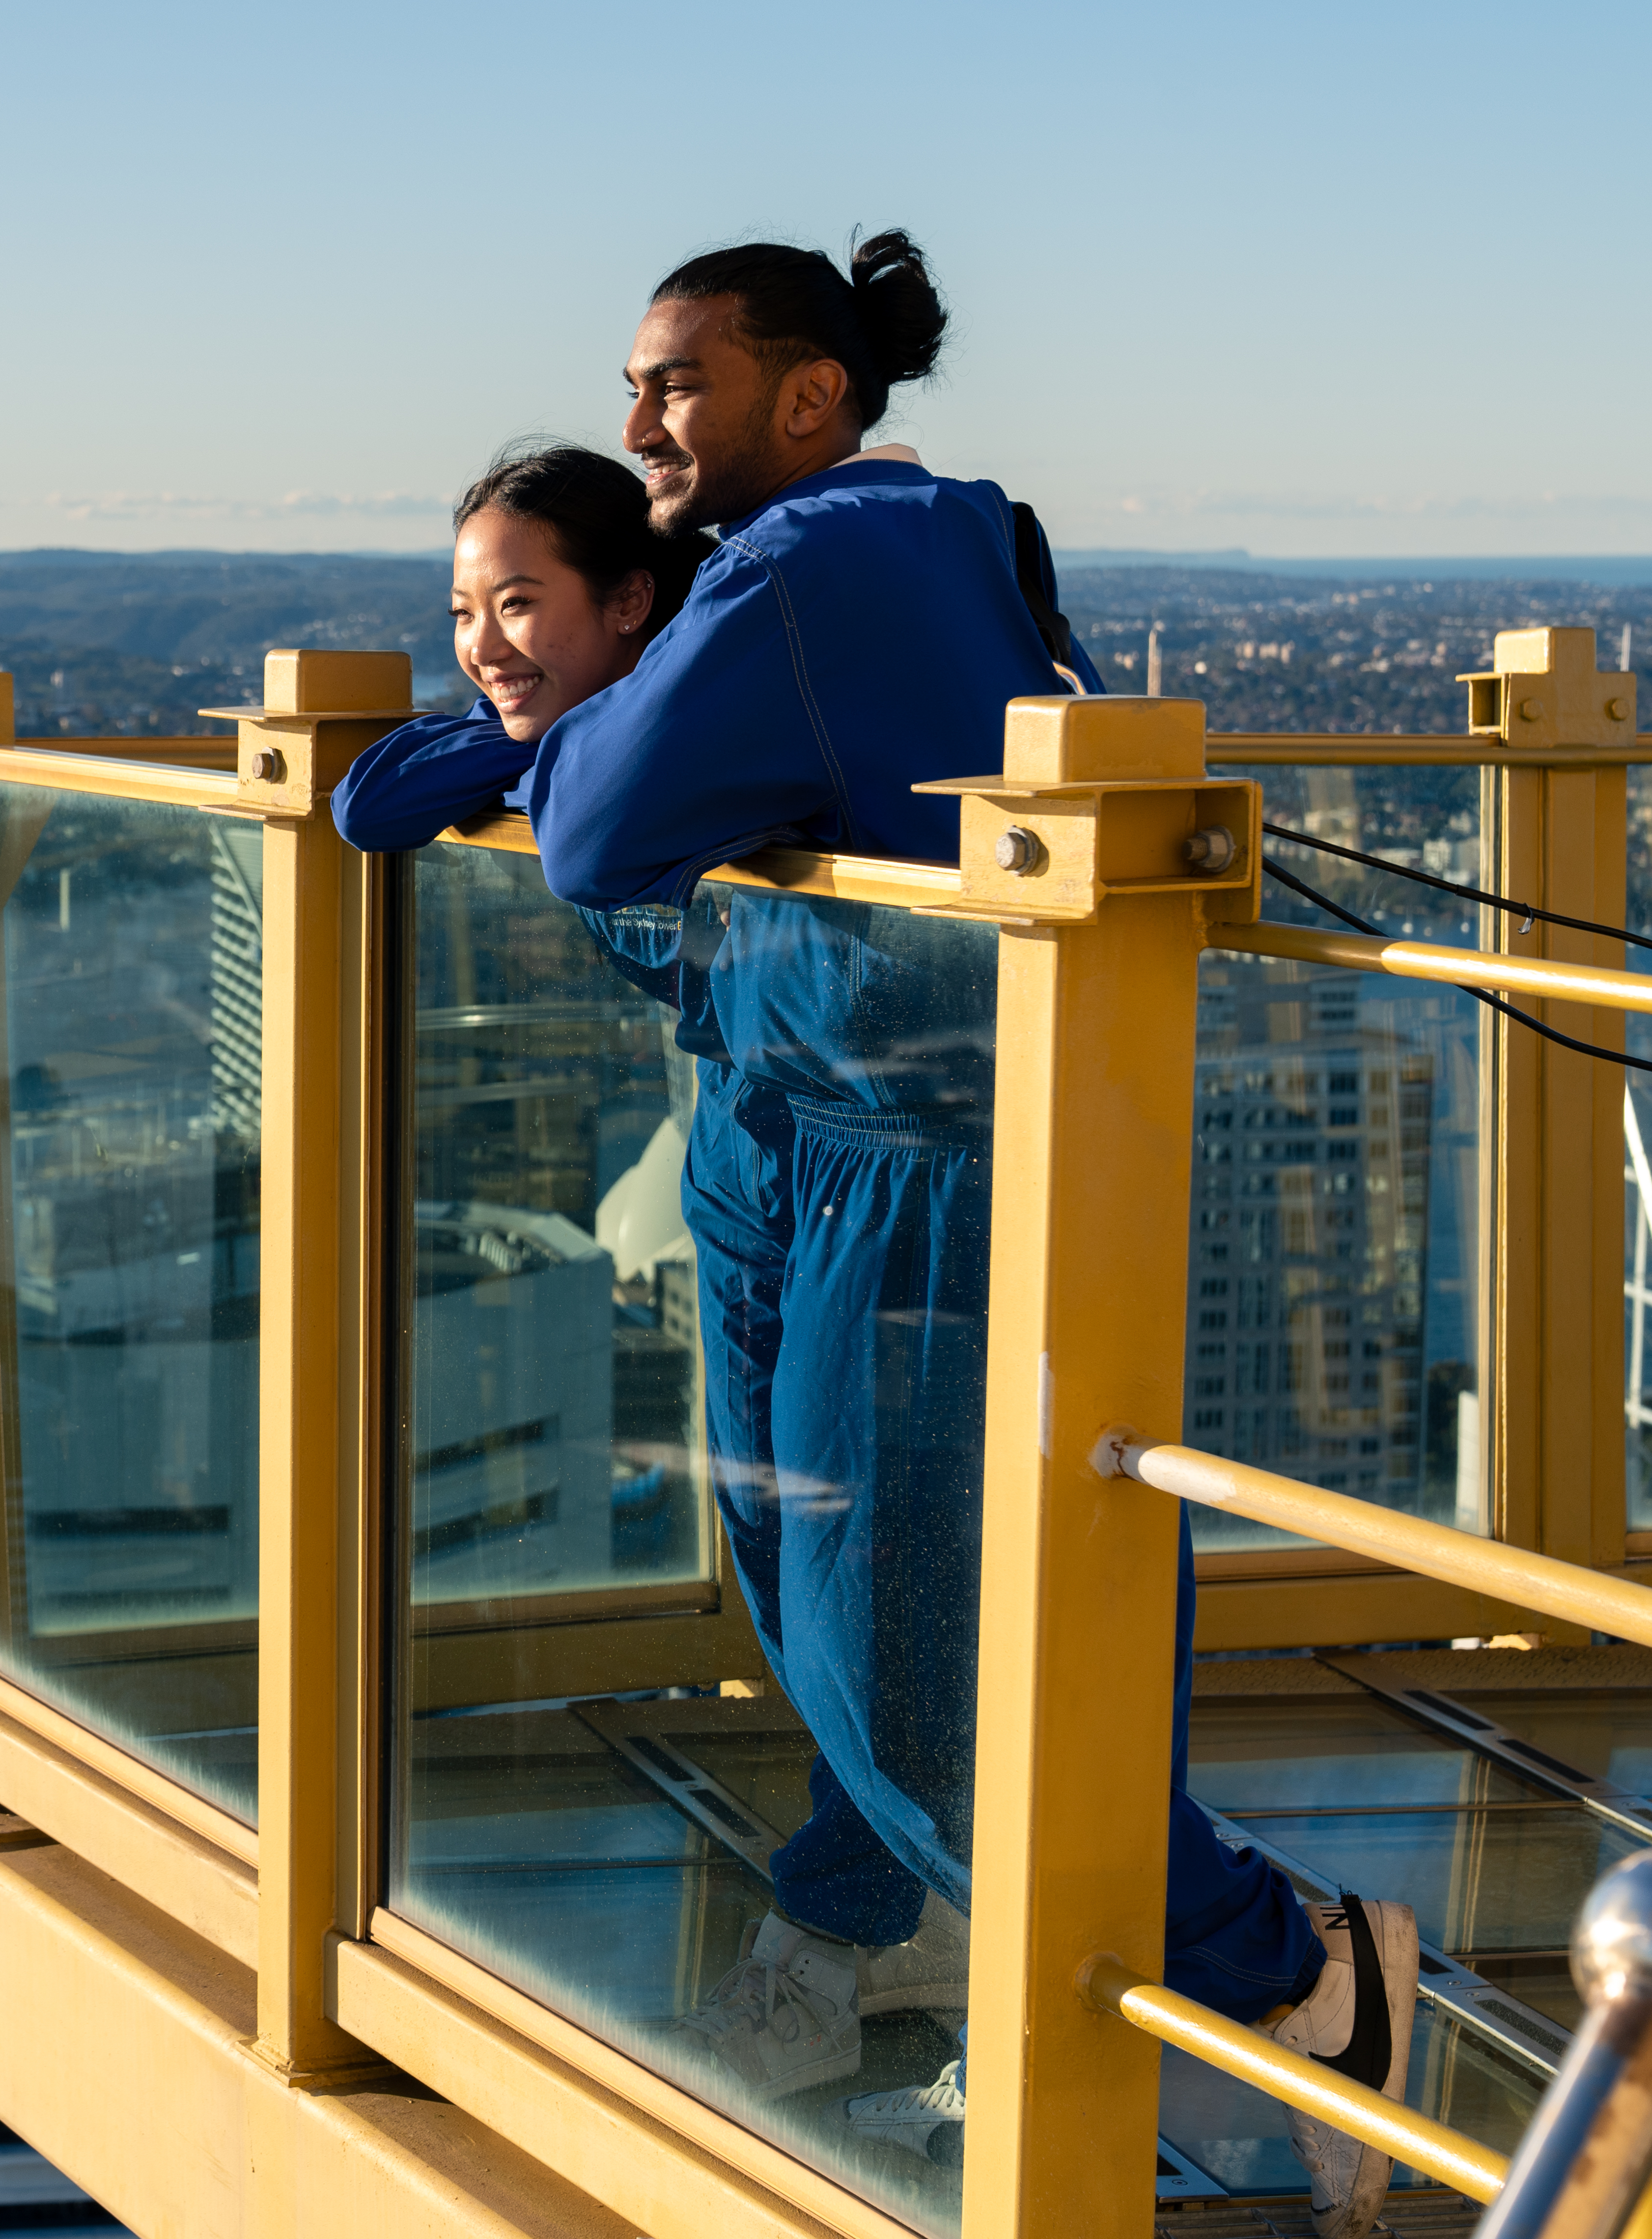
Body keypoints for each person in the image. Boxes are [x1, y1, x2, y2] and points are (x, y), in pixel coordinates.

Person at [335, 234, 1415, 2239]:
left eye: (683, 383)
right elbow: (431, 796)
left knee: (900, 1643)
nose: (645, 422)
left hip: (919, 1150)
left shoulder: (809, 563)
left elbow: (588, 836)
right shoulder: (883, 550)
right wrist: (558, 716)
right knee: (807, 1579)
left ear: (809, 395)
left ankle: (1300, 1963)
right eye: (641, 387)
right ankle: (885, 1918)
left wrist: (544, 740)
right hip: (797, 1124)